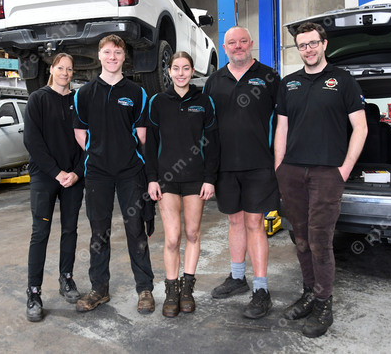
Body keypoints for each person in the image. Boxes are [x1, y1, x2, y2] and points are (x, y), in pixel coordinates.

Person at [274, 22, 367, 338]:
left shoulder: (343, 81)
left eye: (313, 43)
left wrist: (344, 169)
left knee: (320, 241)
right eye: (302, 45)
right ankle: (309, 293)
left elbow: (361, 127)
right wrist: (279, 167)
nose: (308, 49)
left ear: (324, 44)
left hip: (327, 174)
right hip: (292, 173)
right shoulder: (289, 84)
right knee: (300, 239)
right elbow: (282, 127)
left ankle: (324, 303)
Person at [73, 34, 155, 314]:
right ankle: (99, 288)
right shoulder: (84, 93)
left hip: (130, 171)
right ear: (99, 55)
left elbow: (142, 135)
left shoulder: (136, 92)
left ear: (124, 57)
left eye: (117, 53)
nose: (112, 57)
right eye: (107, 52)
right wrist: (99, 153)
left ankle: (144, 288)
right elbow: (80, 133)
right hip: (97, 173)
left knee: (135, 229)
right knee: (99, 232)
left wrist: (122, 153)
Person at [203, 26, 281, 319]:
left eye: (243, 41)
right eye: (232, 43)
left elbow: (283, 122)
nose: (238, 46)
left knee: (254, 223)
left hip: (260, 165)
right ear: (224, 48)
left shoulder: (269, 77)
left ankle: (261, 290)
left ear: (252, 44)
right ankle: (237, 278)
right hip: (225, 167)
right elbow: (206, 126)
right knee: (234, 222)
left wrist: (279, 161)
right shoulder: (214, 81)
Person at [146, 51, 220, 318]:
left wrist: (210, 178)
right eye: (175, 68)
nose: (180, 73)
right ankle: (171, 291)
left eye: (185, 68)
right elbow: (151, 143)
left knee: (192, 234)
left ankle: (187, 290)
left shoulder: (204, 101)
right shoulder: (157, 102)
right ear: (169, 72)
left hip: (195, 179)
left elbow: (213, 143)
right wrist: (151, 178)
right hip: (166, 180)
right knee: (172, 238)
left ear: (192, 71)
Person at [23, 53, 85, 322]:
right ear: (51, 69)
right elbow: (32, 141)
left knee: (70, 229)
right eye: (60, 68)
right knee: (40, 232)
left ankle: (66, 278)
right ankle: (34, 292)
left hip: (73, 178)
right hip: (45, 177)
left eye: (69, 69)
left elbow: (88, 140)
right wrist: (56, 172)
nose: (65, 73)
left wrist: (77, 172)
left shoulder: (78, 101)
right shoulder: (38, 99)